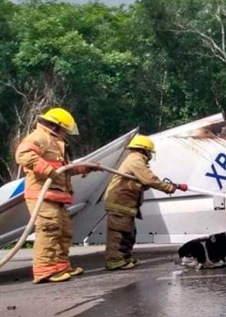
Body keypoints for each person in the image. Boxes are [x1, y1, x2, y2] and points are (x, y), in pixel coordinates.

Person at [15, 107, 96, 284]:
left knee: (64, 231)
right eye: (64, 129)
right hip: (42, 195)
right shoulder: (39, 137)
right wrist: (48, 171)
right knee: (49, 230)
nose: (66, 133)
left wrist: (86, 167)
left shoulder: (56, 142)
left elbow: (63, 170)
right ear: (55, 126)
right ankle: (45, 271)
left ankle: (60, 267)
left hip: (57, 195)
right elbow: (23, 154)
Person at [103, 135, 188, 270]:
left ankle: (125, 257)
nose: (149, 156)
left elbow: (141, 181)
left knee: (128, 232)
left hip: (126, 203)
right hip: (120, 203)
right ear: (144, 150)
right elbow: (149, 179)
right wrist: (168, 188)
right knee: (119, 233)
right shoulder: (135, 160)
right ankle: (115, 261)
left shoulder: (134, 159)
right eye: (149, 152)